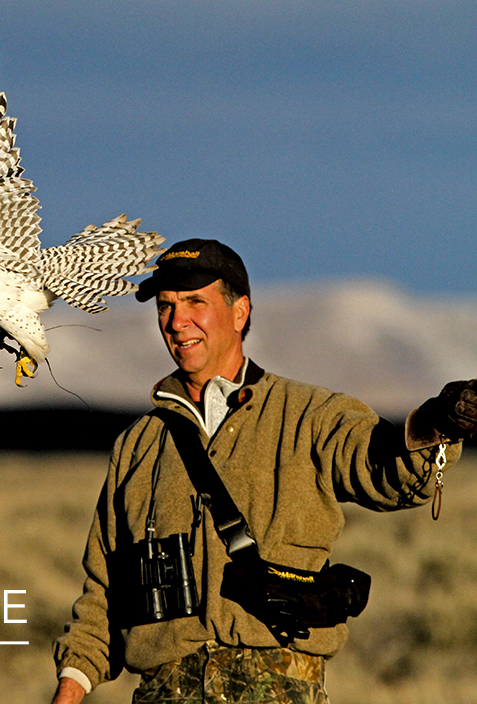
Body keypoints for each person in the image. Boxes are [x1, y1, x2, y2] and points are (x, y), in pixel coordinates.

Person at [50, 239, 477, 704]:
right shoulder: (138, 444)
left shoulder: (309, 415)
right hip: (163, 692)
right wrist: (69, 690)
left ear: (240, 312)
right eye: (166, 306)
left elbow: (379, 464)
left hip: (275, 688)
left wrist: (437, 423)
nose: (177, 321)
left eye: (196, 301)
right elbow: (103, 593)